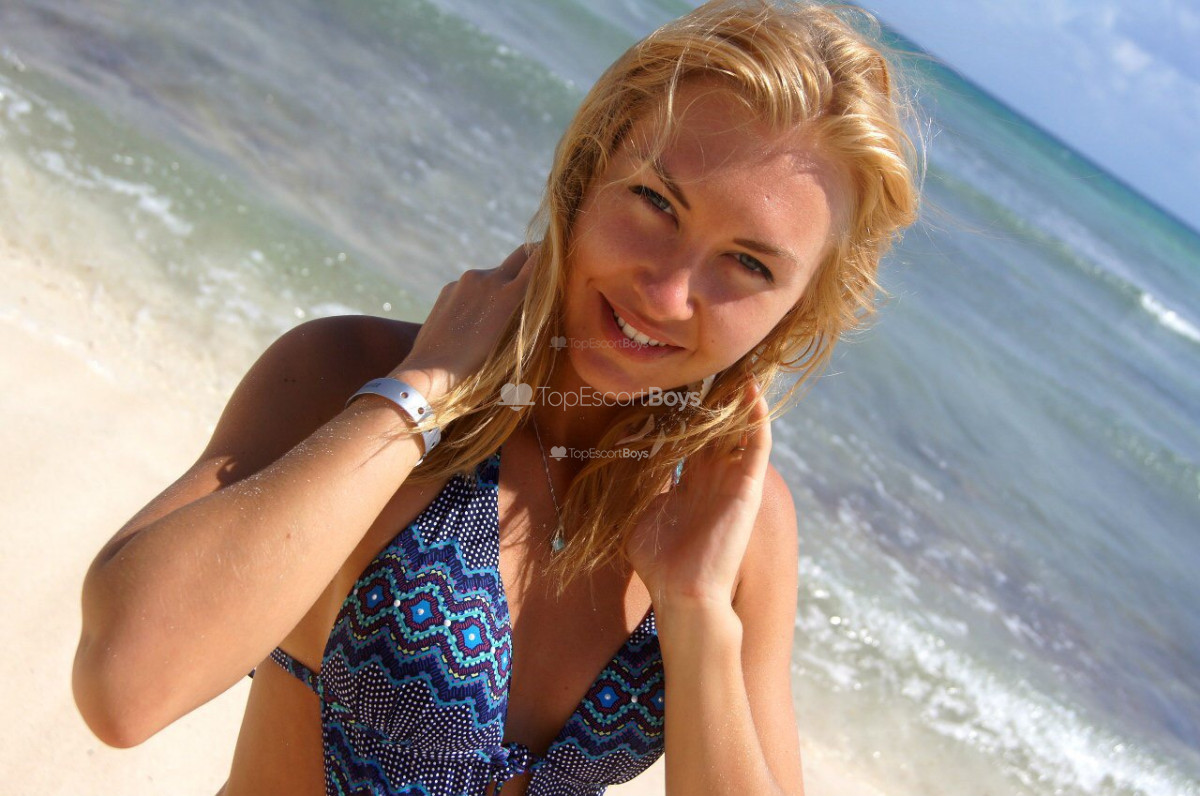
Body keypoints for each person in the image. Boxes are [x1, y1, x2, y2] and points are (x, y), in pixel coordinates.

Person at [72, 1, 918, 794]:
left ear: (799, 308)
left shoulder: (736, 521)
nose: (667, 293)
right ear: (587, 172)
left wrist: (696, 612)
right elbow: (124, 689)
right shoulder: (349, 375)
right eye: (656, 201)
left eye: (749, 263)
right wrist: (416, 400)